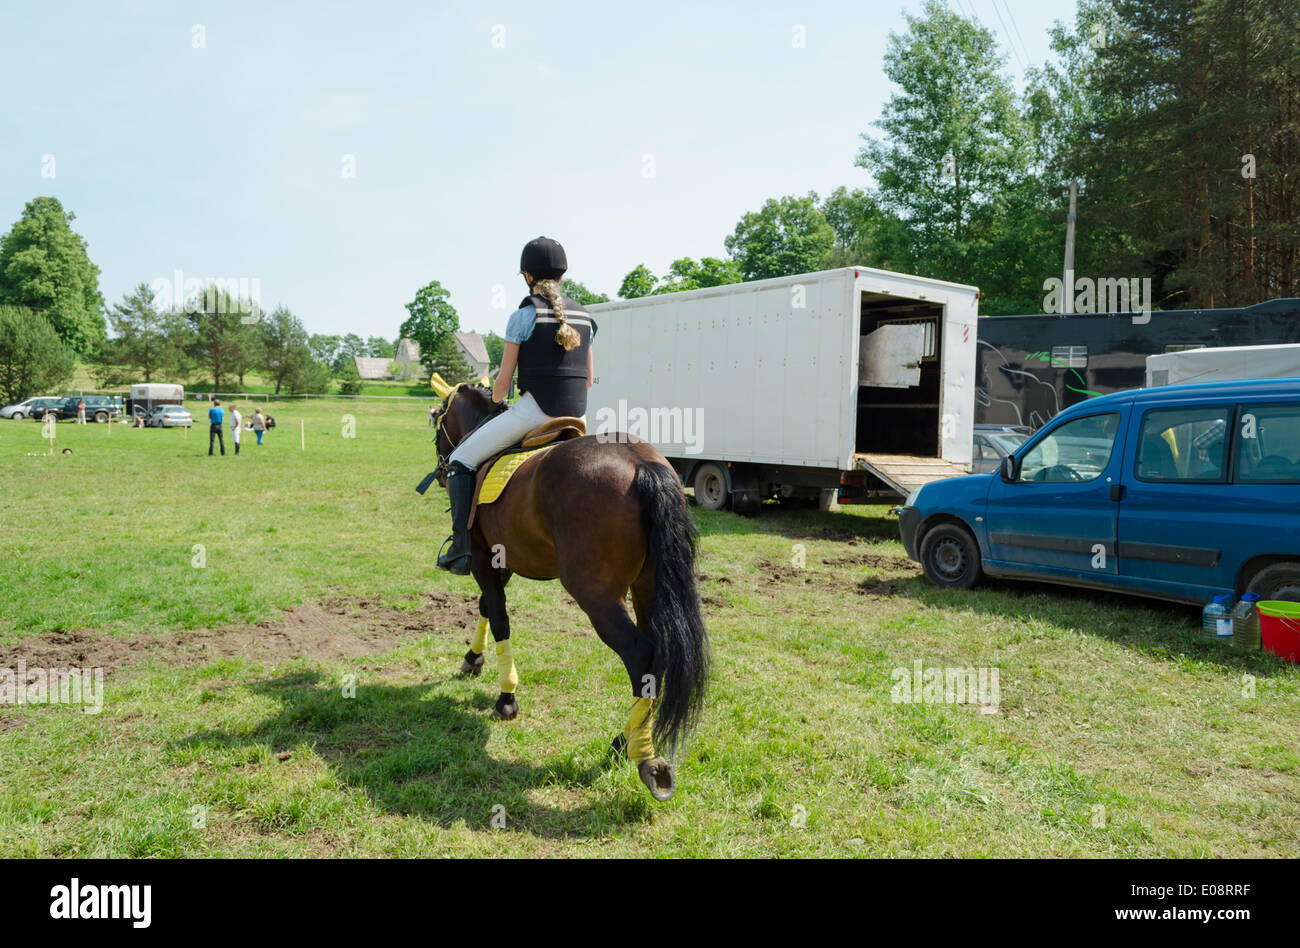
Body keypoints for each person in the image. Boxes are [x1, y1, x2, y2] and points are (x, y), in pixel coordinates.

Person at [436, 236, 596, 574]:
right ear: (563, 277)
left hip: (535, 412)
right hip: (579, 416)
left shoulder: (523, 316)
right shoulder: (586, 319)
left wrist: (496, 402)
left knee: (460, 459)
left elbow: (503, 385)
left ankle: (461, 550)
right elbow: (589, 380)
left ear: (527, 277)